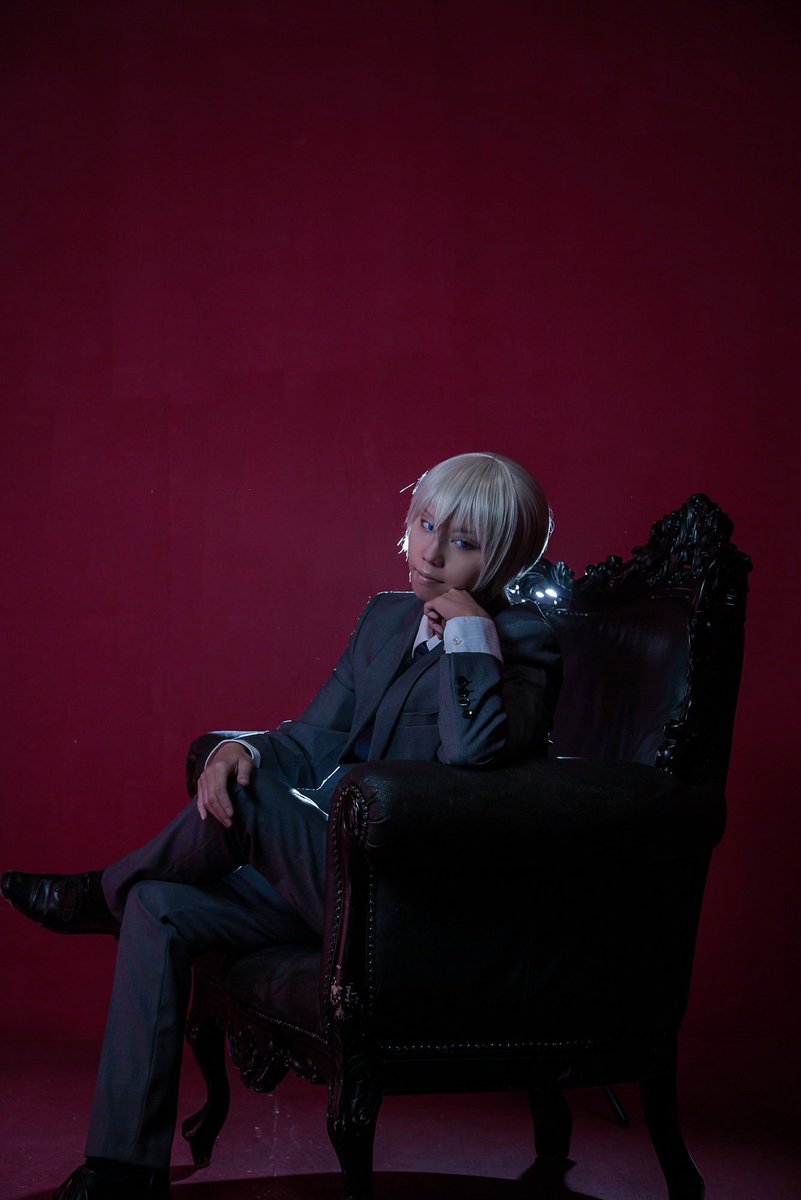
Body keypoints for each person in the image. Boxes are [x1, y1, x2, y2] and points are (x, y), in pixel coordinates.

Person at [2, 452, 562, 1200]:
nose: (430, 553)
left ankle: (96, 894)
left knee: (246, 809)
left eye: (461, 542)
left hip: (406, 907)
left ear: (505, 559)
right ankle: (122, 1169)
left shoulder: (521, 641)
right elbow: (311, 737)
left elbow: (472, 756)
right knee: (158, 904)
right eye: (425, 525)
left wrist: (470, 637)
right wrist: (244, 748)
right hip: (322, 880)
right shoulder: (383, 618)